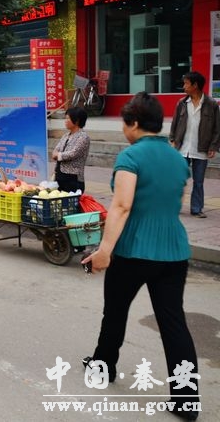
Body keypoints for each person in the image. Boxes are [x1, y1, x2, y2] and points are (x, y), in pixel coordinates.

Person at [82, 92, 200, 421]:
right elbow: (174, 199)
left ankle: (103, 368)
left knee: (115, 312)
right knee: (174, 323)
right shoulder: (178, 159)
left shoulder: (130, 157)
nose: (123, 129)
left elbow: (122, 205)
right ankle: (187, 400)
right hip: (174, 252)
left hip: (133, 250)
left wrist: (104, 250)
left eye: (124, 123)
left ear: (134, 124)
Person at [169, 71, 220, 219]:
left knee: (199, 181)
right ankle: (175, 206)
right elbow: (174, 123)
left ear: (195, 85)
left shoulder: (211, 105)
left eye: (186, 83)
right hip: (182, 148)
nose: (184, 86)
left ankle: (197, 209)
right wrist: (172, 139)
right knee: (178, 179)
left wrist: (213, 147)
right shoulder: (182, 103)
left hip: (201, 149)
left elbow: (217, 128)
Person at [52, 106, 90, 193]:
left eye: (68, 118)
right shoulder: (66, 135)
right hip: (60, 175)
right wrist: (56, 154)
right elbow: (56, 150)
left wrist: (58, 155)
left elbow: (73, 153)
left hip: (73, 178)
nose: (65, 121)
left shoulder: (83, 137)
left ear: (76, 121)